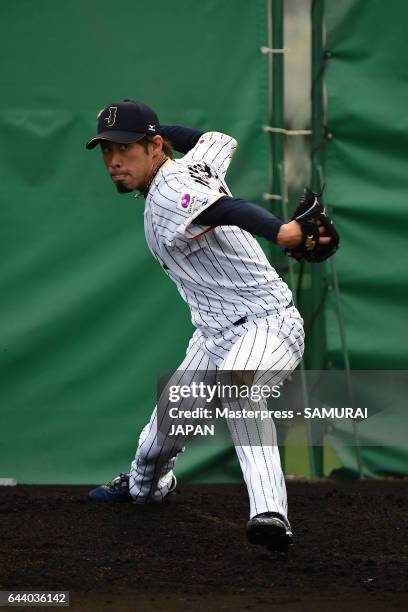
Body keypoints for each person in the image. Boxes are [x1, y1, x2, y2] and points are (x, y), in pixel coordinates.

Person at [85, 100, 332, 551]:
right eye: (106, 150)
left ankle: (269, 512)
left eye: (125, 149)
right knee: (154, 447)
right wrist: (160, 130)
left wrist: (281, 232)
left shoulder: (167, 192)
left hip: (267, 324)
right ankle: (146, 487)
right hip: (213, 336)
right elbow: (218, 140)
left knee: (239, 385)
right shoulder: (195, 161)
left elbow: (227, 209)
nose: (114, 161)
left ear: (155, 147)